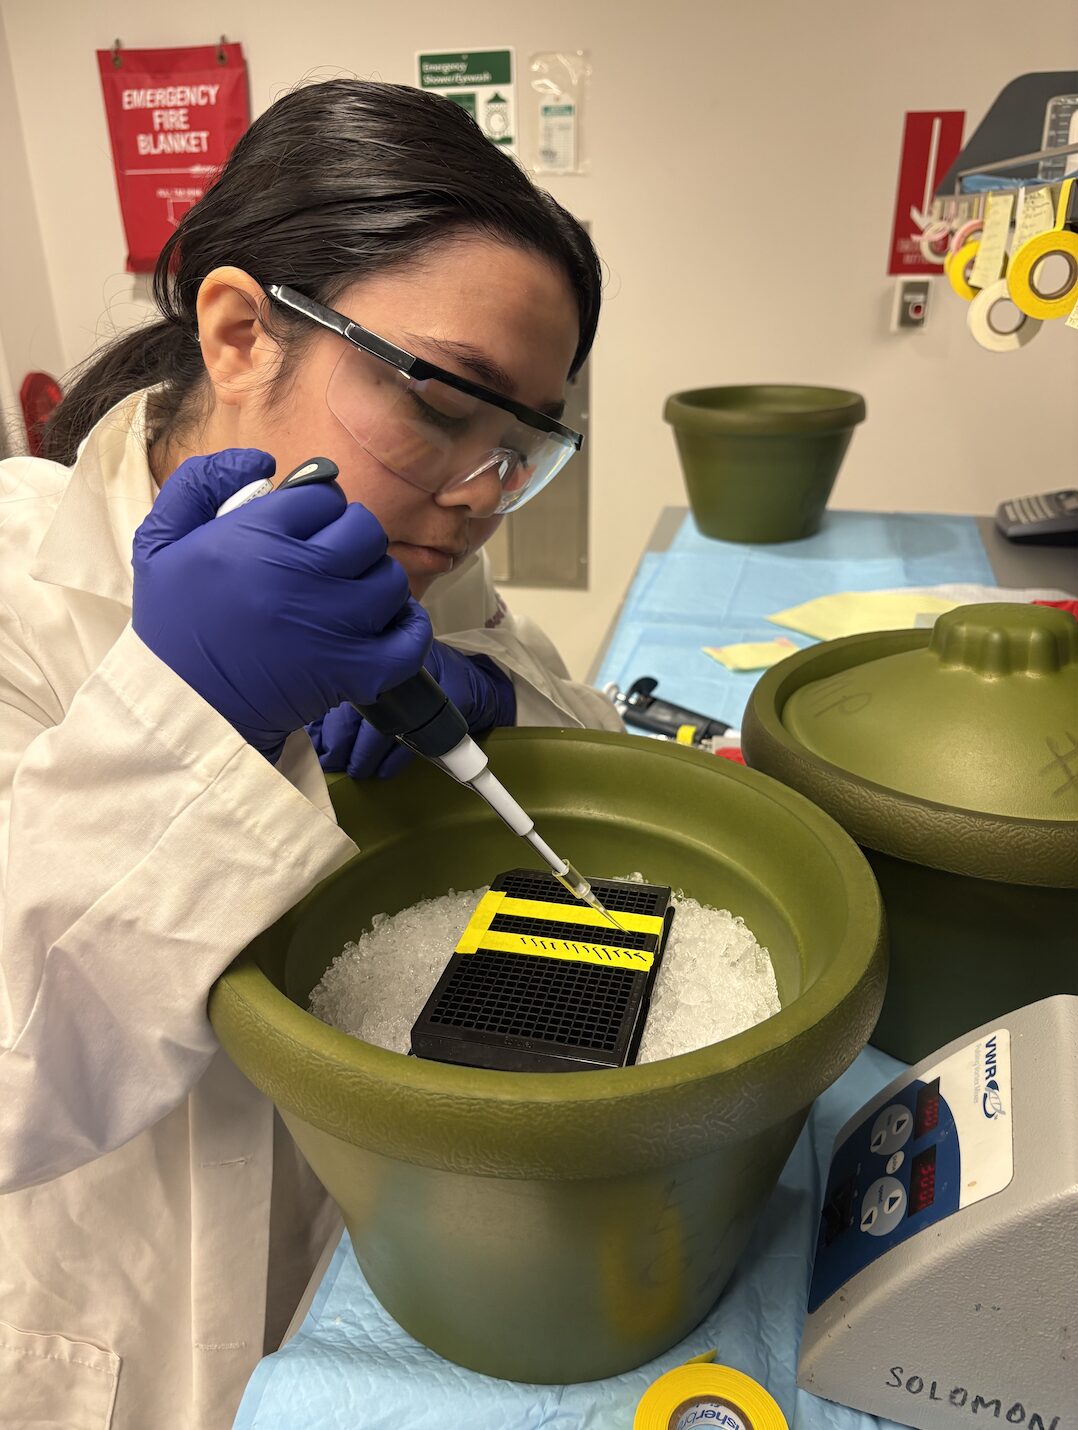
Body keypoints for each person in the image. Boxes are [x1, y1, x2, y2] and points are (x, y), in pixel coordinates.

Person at [0, 79, 621, 1428]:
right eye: (441, 404)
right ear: (239, 332)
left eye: (522, 446)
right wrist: (193, 713)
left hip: (379, 1263)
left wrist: (497, 705)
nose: (477, 497)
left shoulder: (419, 565)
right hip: (117, 1341)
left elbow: (602, 761)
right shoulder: (15, 583)